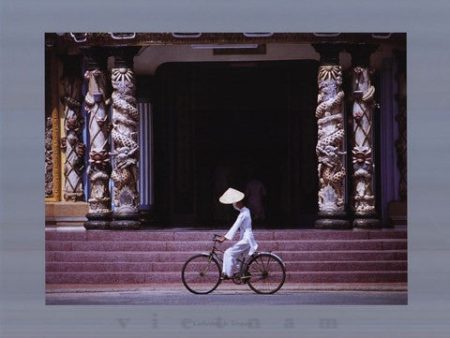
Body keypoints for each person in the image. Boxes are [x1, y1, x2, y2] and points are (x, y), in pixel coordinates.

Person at [216, 187, 258, 279]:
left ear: (238, 202)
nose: (233, 205)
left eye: (234, 203)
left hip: (246, 240)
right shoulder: (246, 210)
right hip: (247, 239)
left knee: (228, 253)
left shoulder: (243, 214)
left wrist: (224, 238)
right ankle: (241, 274)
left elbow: (235, 226)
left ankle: (227, 274)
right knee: (239, 258)